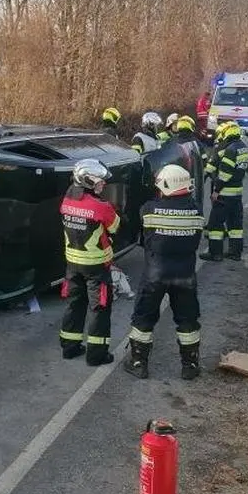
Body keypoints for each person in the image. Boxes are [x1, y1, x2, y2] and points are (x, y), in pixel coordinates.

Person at [124, 164, 206, 381]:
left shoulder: (149, 209)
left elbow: (141, 231)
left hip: (155, 274)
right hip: (185, 275)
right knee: (187, 320)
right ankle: (190, 365)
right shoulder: (197, 210)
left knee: (144, 317)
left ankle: (138, 363)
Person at [59, 159, 121, 366]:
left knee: (74, 304)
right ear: (88, 181)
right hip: (96, 268)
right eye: (100, 181)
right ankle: (96, 355)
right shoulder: (101, 207)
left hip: (72, 264)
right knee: (99, 309)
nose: (103, 184)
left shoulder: (66, 201)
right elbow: (115, 227)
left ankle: (69, 348)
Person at [200, 122, 248, 261]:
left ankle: (215, 253)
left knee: (215, 224)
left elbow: (224, 174)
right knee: (235, 225)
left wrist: (216, 191)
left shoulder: (230, 149)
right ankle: (235, 253)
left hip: (224, 194)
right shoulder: (243, 148)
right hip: (237, 193)